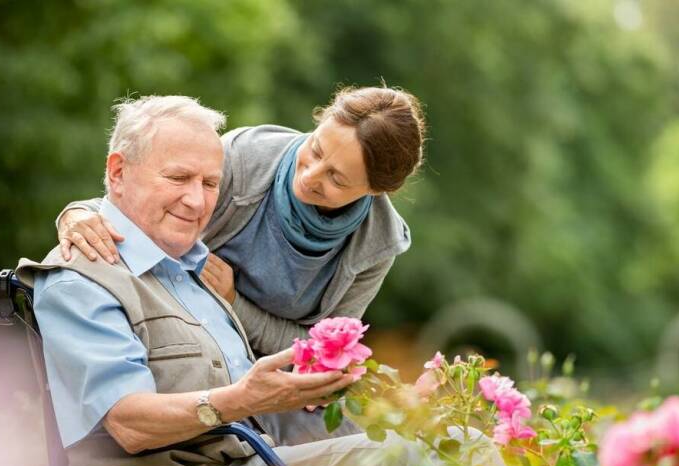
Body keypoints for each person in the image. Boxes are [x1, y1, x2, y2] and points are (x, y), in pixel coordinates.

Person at [16, 95, 392, 466]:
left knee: (453, 452)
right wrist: (241, 400)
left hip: (256, 463)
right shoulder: (81, 278)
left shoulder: (192, 269)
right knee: (402, 464)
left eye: (210, 184)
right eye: (178, 178)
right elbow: (128, 423)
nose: (197, 202)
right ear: (119, 172)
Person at [55, 86, 425, 357]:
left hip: (271, 381)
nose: (311, 176)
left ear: (375, 191)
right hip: (180, 345)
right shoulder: (246, 158)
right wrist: (79, 212)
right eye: (314, 150)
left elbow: (322, 353)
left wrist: (234, 301)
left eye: (337, 179)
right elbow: (149, 198)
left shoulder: (376, 244)